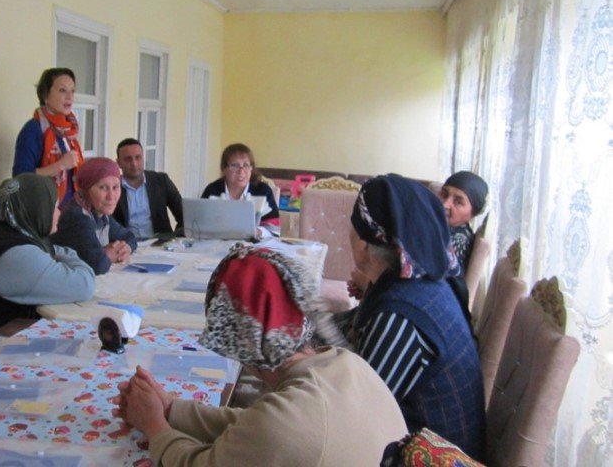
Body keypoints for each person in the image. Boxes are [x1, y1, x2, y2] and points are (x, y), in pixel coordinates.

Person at [112, 246, 408, 465]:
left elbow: (197, 462)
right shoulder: (345, 363)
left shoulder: (282, 424)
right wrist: (171, 409)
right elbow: (254, 425)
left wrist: (154, 425)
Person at [345, 174, 486, 460]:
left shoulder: (399, 315)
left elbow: (353, 415)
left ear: (362, 242)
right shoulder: (421, 278)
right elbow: (353, 327)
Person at [0, 174, 96, 334]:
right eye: (53, 206)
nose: (59, 212)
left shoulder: (5, 237)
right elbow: (84, 285)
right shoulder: (18, 254)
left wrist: (53, 250)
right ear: (37, 210)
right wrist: (63, 252)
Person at [52, 157, 137, 274]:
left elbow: (129, 236)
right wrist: (108, 254)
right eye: (103, 187)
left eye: (115, 187)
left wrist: (126, 247)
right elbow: (98, 264)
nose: (111, 197)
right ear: (86, 189)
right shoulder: (77, 216)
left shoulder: (100, 212)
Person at [13, 68, 84, 206]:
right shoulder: (34, 129)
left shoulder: (69, 130)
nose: (69, 97)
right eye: (62, 90)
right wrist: (60, 165)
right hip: (43, 213)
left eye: (72, 91)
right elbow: (19, 179)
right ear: (45, 95)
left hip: (70, 209)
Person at [113, 138, 184, 239]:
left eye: (138, 157)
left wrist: (176, 237)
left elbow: (184, 215)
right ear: (118, 163)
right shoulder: (113, 187)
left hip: (160, 244)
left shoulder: (161, 181)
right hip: (128, 247)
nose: (134, 163)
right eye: (128, 159)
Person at [201, 143, 279, 228]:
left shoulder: (263, 191)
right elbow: (199, 221)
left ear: (251, 168)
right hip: (217, 240)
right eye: (234, 165)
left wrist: (259, 232)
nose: (241, 171)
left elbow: (274, 225)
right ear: (224, 169)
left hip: (253, 240)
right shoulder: (212, 190)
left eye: (246, 165)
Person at [440, 170, 489, 272]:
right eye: (444, 195)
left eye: (458, 202)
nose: (445, 204)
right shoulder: (442, 227)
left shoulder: (458, 241)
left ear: (473, 213)